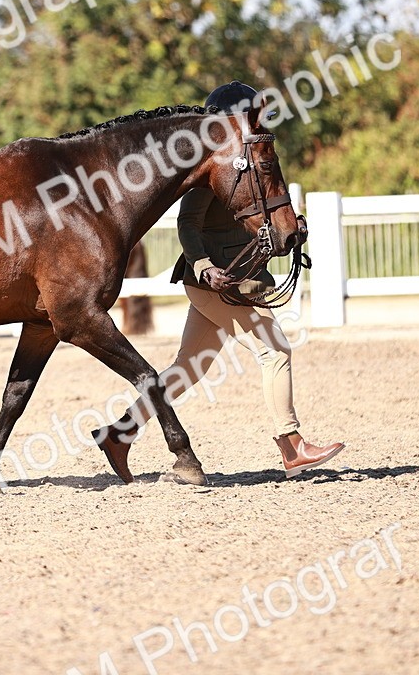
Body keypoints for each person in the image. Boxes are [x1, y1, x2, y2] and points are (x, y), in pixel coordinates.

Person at [93, 81, 344, 482]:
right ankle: (291, 445)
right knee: (274, 350)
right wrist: (205, 265)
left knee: (187, 369)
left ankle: (120, 434)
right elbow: (187, 223)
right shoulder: (215, 168)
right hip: (216, 280)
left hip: (237, 277)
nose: (259, 120)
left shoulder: (246, 159)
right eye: (251, 113)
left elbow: (257, 210)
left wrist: (286, 227)